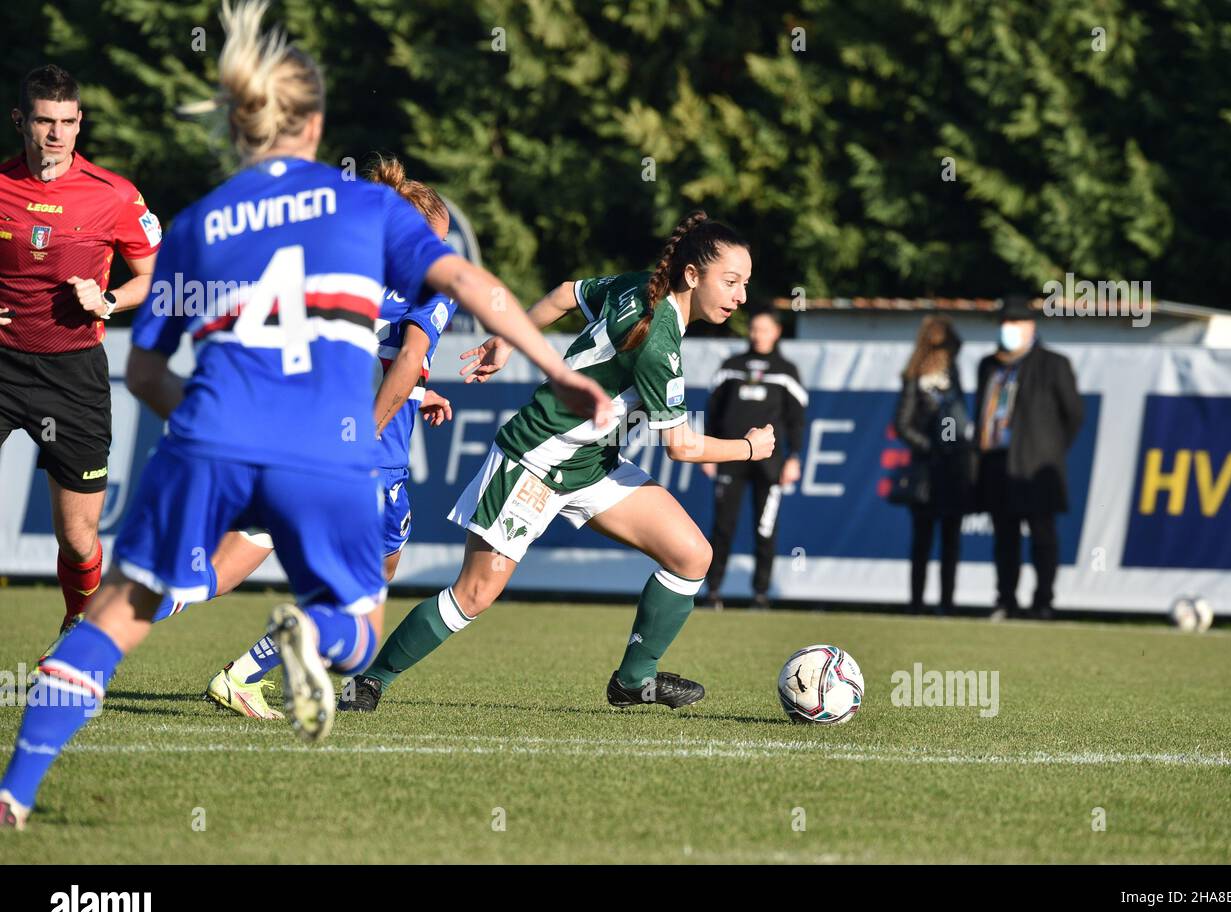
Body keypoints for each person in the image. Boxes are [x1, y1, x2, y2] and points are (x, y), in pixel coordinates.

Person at [0, 0, 609, 831]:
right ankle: (309, 627)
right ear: (316, 125)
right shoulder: (368, 207)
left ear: (239, 126)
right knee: (360, 625)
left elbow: (142, 371)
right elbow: (471, 286)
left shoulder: (198, 222)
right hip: (325, 448)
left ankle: (14, 793)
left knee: (116, 612)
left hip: (213, 435)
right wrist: (556, 369)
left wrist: (207, 425)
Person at [336, 210, 776, 714]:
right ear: (692, 275)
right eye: (731, 281)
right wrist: (748, 447)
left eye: (745, 284)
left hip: (591, 462)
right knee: (474, 594)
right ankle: (369, 682)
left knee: (691, 556)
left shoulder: (641, 288)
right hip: (535, 460)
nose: (741, 296)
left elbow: (567, 294)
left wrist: (508, 338)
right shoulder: (659, 340)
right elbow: (681, 446)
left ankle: (633, 680)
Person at [174, 156, 460, 720]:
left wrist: (417, 394)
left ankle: (101, 624)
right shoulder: (432, 287)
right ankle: (245, 673)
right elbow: (406, 360)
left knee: (218, 573)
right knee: (365, 592)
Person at [0, 64, 160, 641]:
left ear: (79, 122)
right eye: (45, 121)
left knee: (77, 537)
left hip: (73, 374)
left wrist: (109, 299)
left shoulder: (114, 194)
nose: (56, 134)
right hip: (2, 363)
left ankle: (77, 626)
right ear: (21, 120)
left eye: (67, 122)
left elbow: (156, 277)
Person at [975, 295, 1083, 620]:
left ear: (1030, 326)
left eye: (1015, 322)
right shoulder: (989, 365)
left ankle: (1043, 601)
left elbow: (1074, 414)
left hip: (1035, 463)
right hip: (997, 462)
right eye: (1004, 322)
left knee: (1042, 535)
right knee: (1004, 537)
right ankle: (1005, 599)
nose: (1008, 328)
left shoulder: (1053, 364)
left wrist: (1049, 448)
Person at [700, 302, 806, 609]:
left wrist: (794, 457)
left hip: (769, 463)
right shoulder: (731, 365)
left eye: (765, 329)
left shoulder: (786, 371)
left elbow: (797, 419)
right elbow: (712, 412)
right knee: (723, 526)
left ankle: (760, 594)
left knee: (765, 528)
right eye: (755, 328)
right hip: (730, 456)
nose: (759, 334)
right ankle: (712, 592)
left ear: (777, 332)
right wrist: (708, 453)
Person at [893, 315, 974, 614]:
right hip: (926, 471)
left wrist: (957, 448)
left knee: (951, 539)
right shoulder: (914, 377)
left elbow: (959, 420)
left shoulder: (953, 376)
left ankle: (947, 603)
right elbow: (902, 424)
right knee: (922, 539)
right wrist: (930, 447)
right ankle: (916, 603)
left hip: (954, 469)